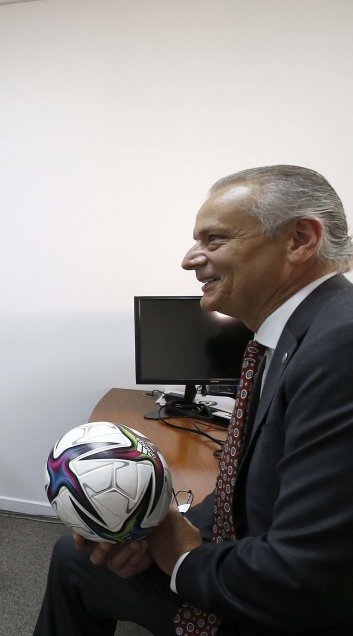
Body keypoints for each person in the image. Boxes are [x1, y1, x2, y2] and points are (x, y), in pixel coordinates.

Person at [34, 165, 353, 635]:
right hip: (254, 563)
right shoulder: (293, 336)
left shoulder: (339, 348)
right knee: (75, 557)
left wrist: (179, 553)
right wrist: (154, 530)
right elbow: (239, 501)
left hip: (285, 611)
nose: (190, 259)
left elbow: (304, 576)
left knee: (77, 562)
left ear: (300, 240)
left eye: (214, 240)